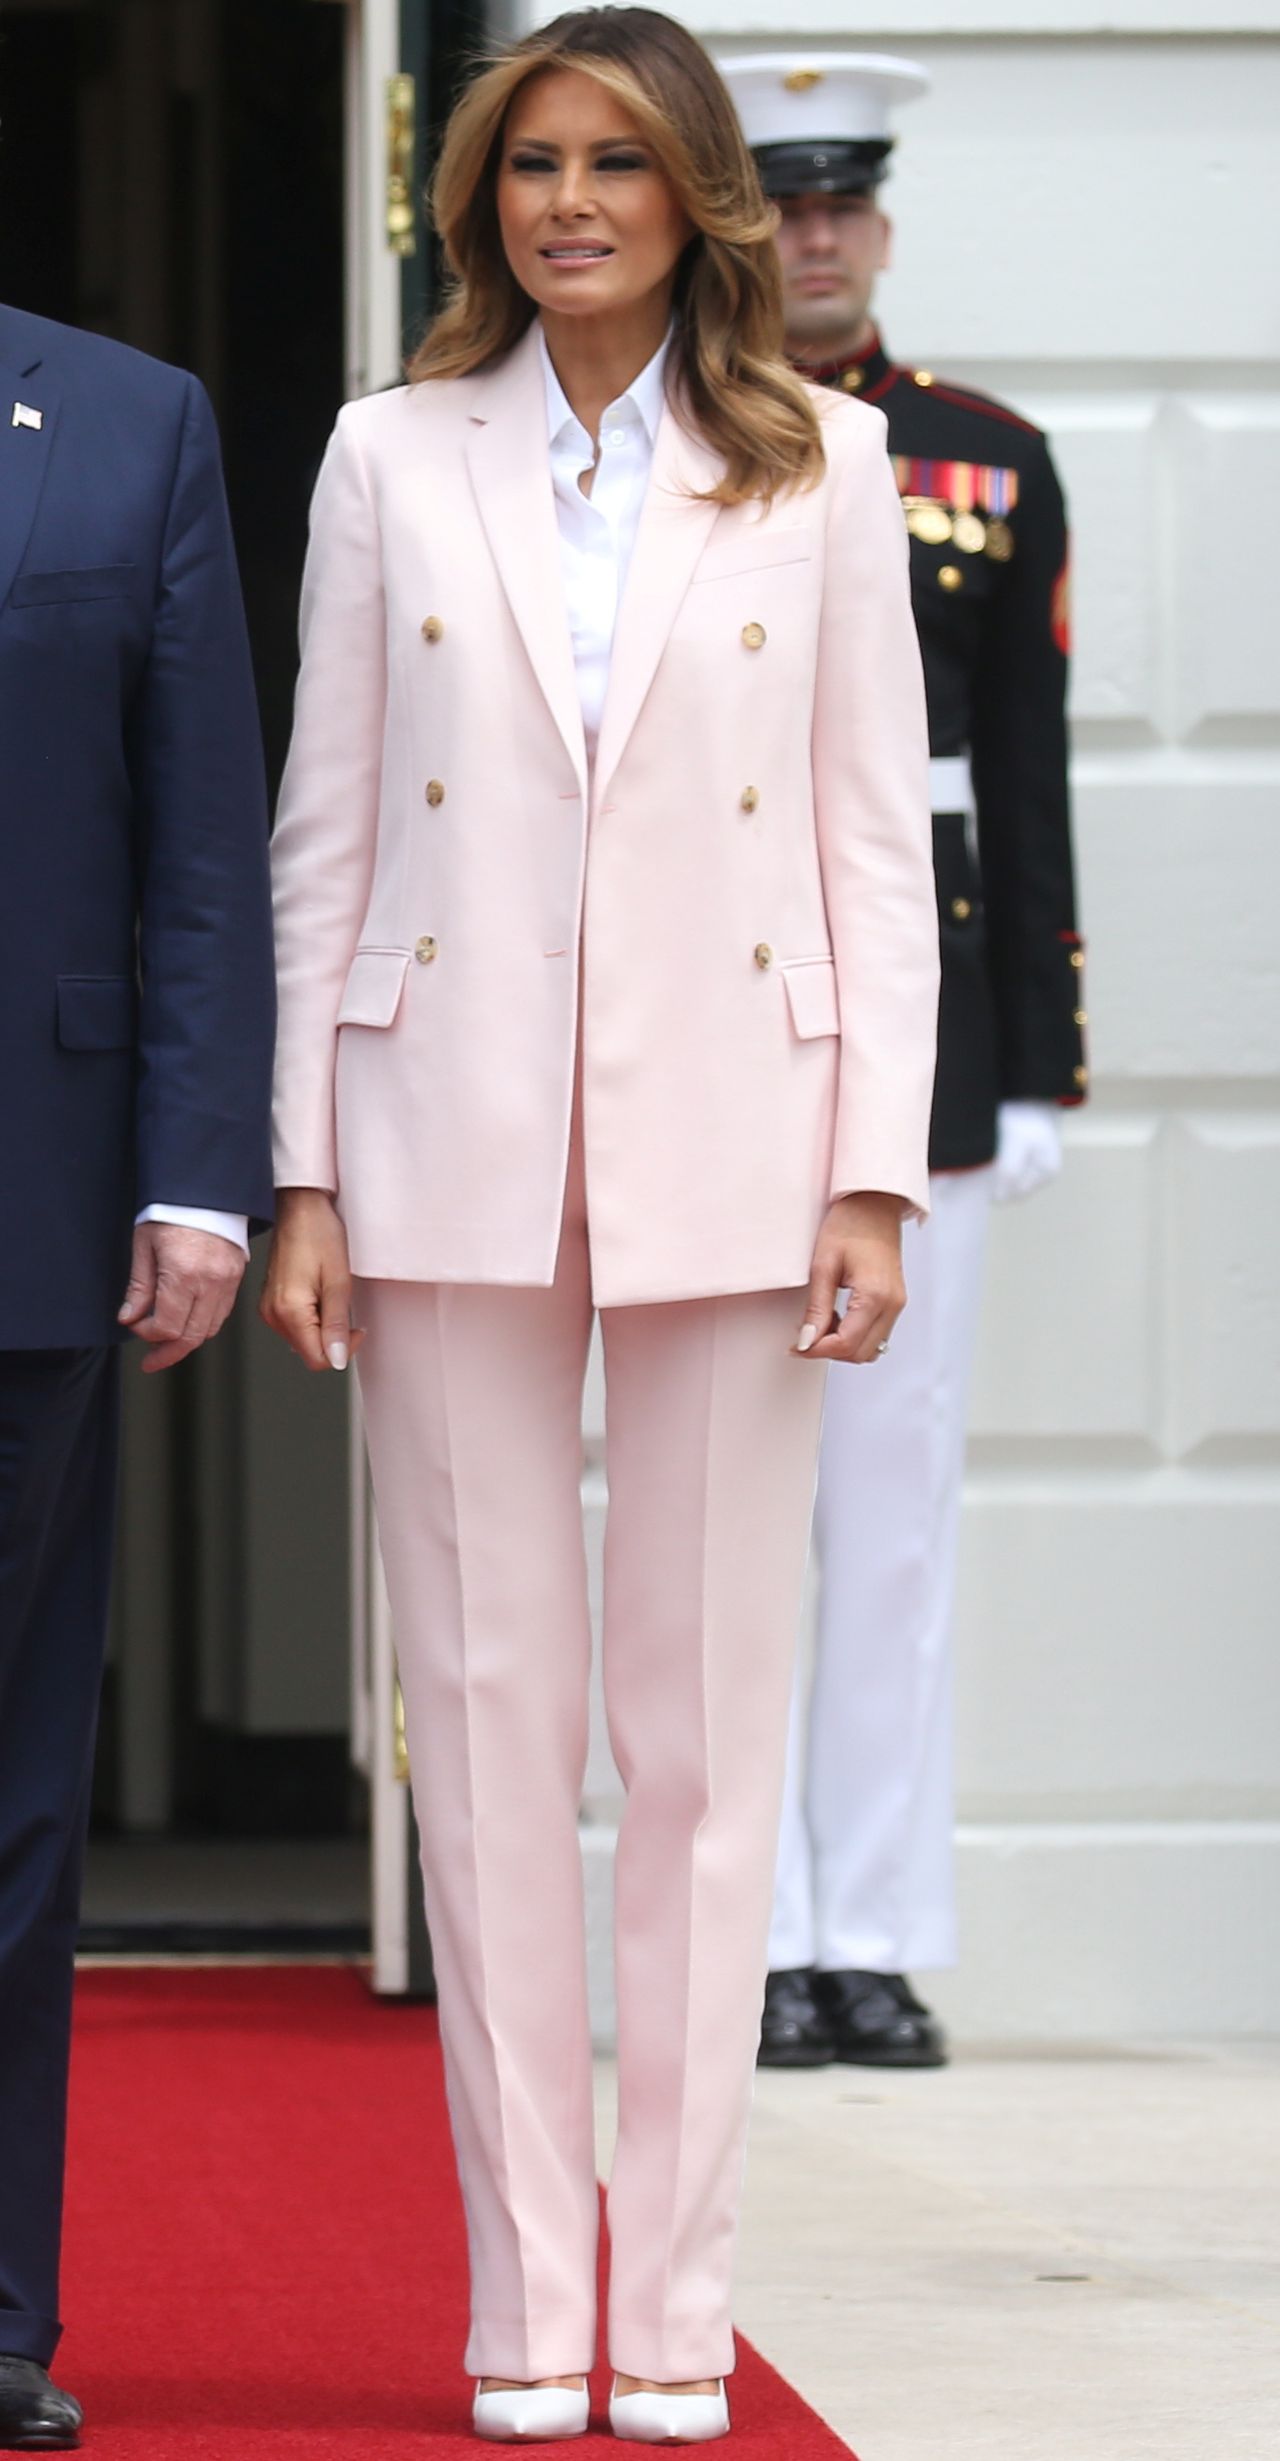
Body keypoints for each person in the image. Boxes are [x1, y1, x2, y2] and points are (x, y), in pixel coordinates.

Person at [264, 5, 937, 2439]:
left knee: (696, 1744)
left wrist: (874, 1161)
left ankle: (679, 2307)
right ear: (479, 203)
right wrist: (305, 1167)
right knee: (492, 1723)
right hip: (441, 1141)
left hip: (740, 1153)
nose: (566, 203)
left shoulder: (829, 469)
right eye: (528, 165)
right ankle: (526, 2296)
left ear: (692, 205)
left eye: (613, 169)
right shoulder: (383, 454)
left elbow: (878, 845)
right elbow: (323, 828)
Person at [718, 53, 1087, 2072]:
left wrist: (1040, 1054)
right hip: (720, 1007)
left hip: (925, 1017)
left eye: (843, 201)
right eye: (781, 202)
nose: (816, 234)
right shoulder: (680, 436)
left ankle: (870, 1928)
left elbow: (1019, 777)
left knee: (894, 1513)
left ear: (881, 221)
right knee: (721, 1517)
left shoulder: (985, 455)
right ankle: (749, 1933)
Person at [0, 303, 275, 2447]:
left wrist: (200, 1171)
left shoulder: (127, 418)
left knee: (8, 1782)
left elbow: (203, 845)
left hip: (38, 1197)